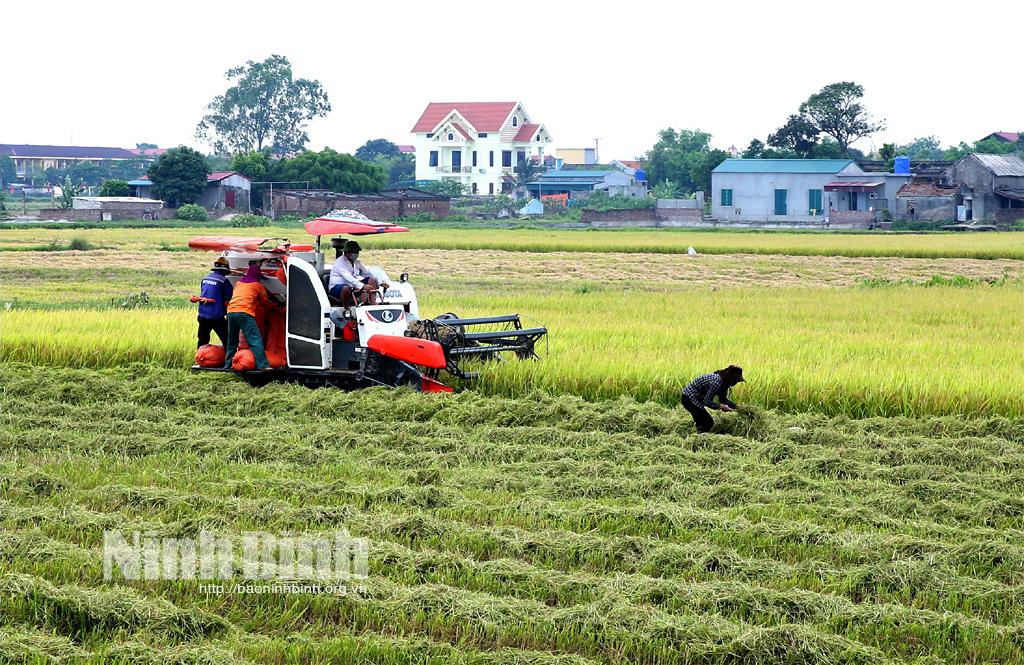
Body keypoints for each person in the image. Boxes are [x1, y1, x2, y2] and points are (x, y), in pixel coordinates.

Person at [223, 262, 272, 370]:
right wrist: (276, 307)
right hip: (244, 312)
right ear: (257, 277)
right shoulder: (258, 285)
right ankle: (263, 365)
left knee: (232, 341)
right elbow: (265, 302)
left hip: (231, 312)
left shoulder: (238, 283)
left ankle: (227, 365)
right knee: (255, 339)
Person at [680, 365, 745, 434]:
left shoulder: (724, 383)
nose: (735, 383)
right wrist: (720, 407)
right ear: (731, 378)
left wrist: (736, 407)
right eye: (736, 381)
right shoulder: (716, 382)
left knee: (703, 421)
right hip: (689, 398)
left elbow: (723, 399)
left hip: (696, 398)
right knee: (707, 422)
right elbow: (707, 402)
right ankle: (699, 439)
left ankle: (699, 435)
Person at [328, 240, 389, 306]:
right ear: (347, 253)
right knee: (345, 288)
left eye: (357, 252)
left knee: (371, 279)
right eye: (355, 252)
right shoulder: (340, 262)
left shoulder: (356, 262)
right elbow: (349, 278)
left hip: (352, 286)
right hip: (337, 289)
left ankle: (372, 304)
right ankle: (347, 309)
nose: (357, 254)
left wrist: (380, 283)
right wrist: (362, 286)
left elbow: (367, 273)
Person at [195, 257, 233, 348]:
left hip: (202, 315)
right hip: (216, 316)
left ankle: (200, 359)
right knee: (227, 340)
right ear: (225, 271)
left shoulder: (205, 278)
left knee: (202, 340)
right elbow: (228, 299)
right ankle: (229, 362)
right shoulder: (224, 281)